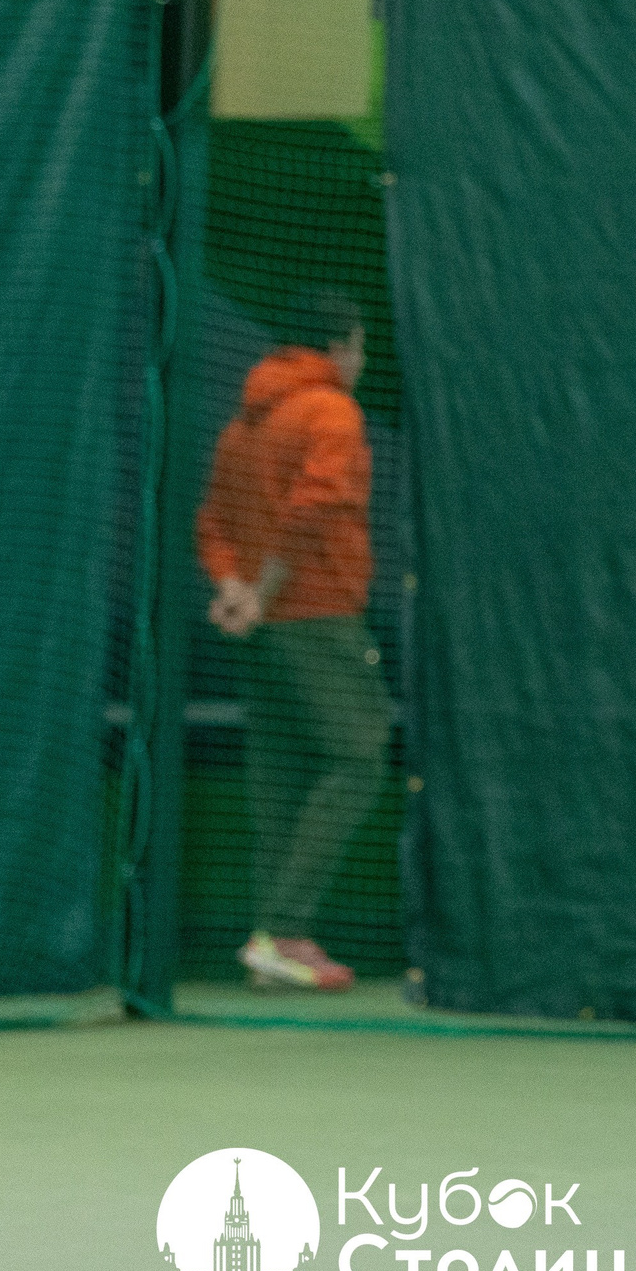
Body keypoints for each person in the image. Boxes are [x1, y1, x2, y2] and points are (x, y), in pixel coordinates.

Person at [194, 291, 394, 995]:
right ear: (339, 347)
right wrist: (264, 591)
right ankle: (285, 928)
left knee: (279, 777)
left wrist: (234, 590)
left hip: (262, 629)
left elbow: (212, 522)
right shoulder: (332, 411)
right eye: (362, 347)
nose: (363, 362)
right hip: (317, 619)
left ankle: (269, 941)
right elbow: (314, 507)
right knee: (359, 758)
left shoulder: (241, 426)